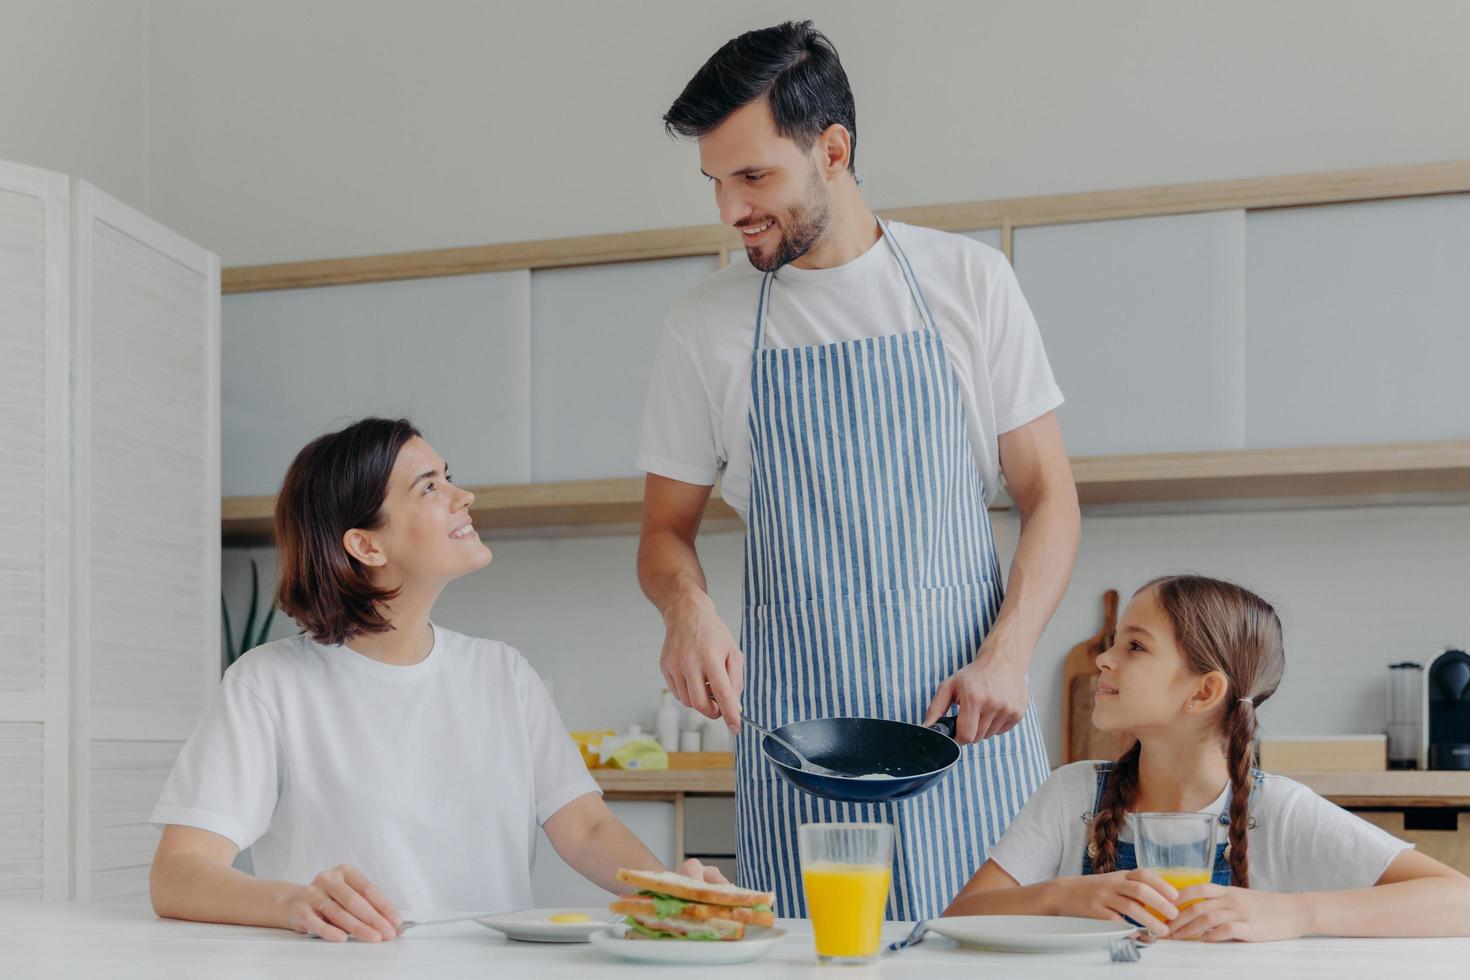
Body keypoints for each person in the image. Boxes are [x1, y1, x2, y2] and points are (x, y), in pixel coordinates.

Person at [637, 21, 1080, 918]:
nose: (730, 210)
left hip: (967, 735)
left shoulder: (970, 281)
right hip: (802, 757)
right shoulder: (705, 323)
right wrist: (686, 608)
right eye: (716, 182)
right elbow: (662, 534)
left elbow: (1051, 500)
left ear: (833, 150)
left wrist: (1011, 651)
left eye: (754, 176)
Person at [149, 418, 723, 942]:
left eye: (449, 478)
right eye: (429, 487)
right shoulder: (268, 685)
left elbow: (588, 829)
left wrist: (672, 891)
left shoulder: (504, 674)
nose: (463, 496)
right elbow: (177, 874)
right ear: (365, 544)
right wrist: (294, 903)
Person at [946, 575, 1470, 940]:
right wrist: (1062, 898)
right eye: (1114, 642)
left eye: (1134, 647)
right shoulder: (1071, 794)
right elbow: (960, 917)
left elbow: (1459, 901)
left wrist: (1296, 913)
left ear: (1203, 692)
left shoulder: (1279, 810)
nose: (1103, 659)